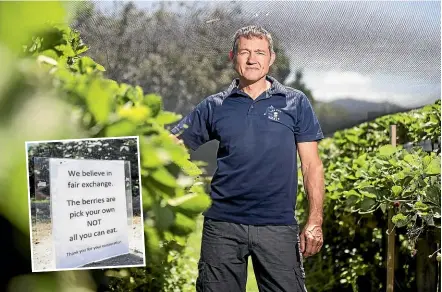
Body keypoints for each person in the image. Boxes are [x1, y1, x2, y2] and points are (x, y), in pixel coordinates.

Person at [170, 25, 325, 292]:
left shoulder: (295, 103)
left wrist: (315, 220)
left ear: (271, 58)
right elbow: (176, 145)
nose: (252, 59)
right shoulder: (214, 105)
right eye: (245, 52)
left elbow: (311, 165)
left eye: (260, 53)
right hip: (223, 226)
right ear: (233, 56)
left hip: (277, 225)